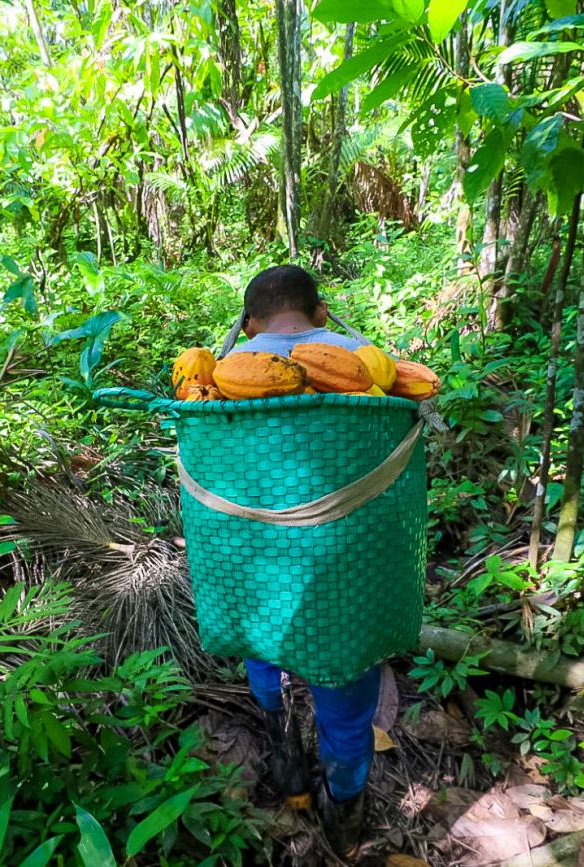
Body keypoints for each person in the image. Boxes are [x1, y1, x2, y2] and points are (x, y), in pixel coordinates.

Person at [227, 264, 379, 857]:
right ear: (320, 313)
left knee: (267, 650)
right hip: (347, 577)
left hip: (259, 571)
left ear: (249, 325)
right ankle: (345, 819)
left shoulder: (224, 375)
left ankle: (288, 771)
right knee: (347, 704)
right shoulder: (363, 364)